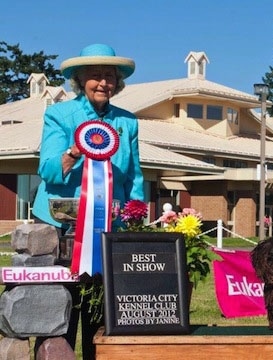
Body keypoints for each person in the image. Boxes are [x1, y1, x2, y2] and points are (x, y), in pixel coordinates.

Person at [32, 43, 144, 359]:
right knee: (60, 310)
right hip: (59, 226)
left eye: (110, 76)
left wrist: (135, 215)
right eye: (96, 76)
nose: (103, 83)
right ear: (80, 79)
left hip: (109, 226)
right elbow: (48, 170)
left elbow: (133, 175)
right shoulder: (58, 114)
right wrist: (74, 151)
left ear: (118, 83)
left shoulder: (128, 122)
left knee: (101, 311)